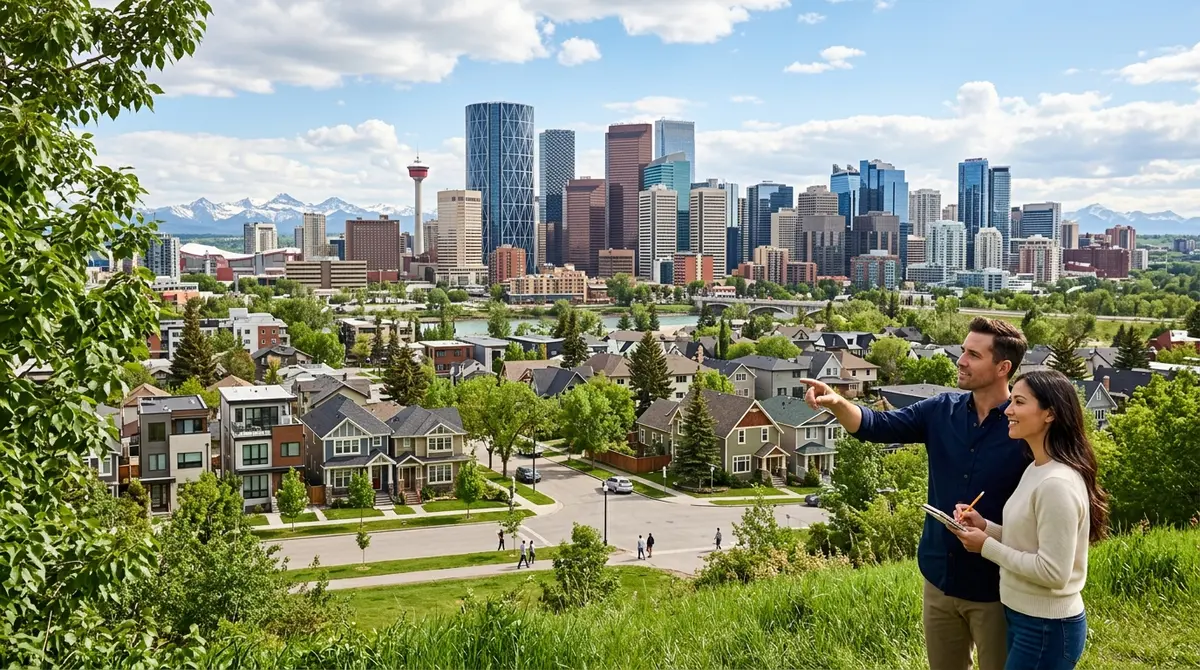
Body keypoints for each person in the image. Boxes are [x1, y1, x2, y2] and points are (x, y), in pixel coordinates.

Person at [799, 317, 1032, 670]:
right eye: (962, 351)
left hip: (996, 587)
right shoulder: (941, 410)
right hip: (939, 578)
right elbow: (876, 426)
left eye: (973, 354)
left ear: (1003, 367)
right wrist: (836, 402)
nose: (961, 360)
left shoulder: (1023, 427)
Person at [950, 370, 1107, 670]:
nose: (1008, 409)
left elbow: (1052, 572)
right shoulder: (1037, 468)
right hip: (1026, 619)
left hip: (1046, 627)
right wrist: (986, 528)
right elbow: (1028, 539)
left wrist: (986, 547)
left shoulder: (1056, 483)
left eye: (1019, 402)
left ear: (1049, 414)